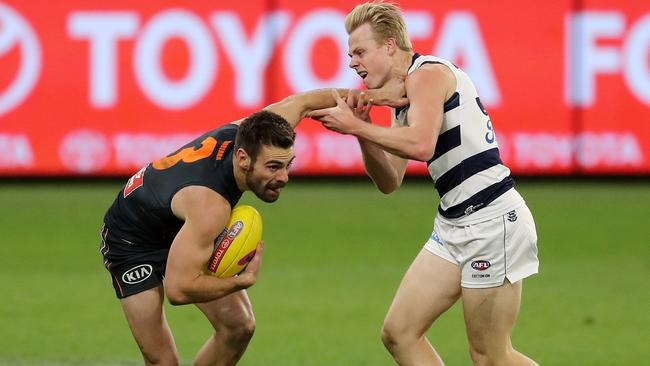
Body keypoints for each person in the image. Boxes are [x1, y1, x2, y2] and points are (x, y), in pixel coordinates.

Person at [99, 85, 404, 366]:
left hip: (180, 220)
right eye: (273, 167)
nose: (283, 177)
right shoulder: (211, 206)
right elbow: (179, 290)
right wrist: (238, 282)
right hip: (132, 240)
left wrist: (375, 97)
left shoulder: (255, 132)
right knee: (162, 361)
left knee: (239, 326)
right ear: (243, 159)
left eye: (288, 164)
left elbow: (302, 102)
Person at [308, 2, 540, 366]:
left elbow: (421, 144)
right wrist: (364, 132)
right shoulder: (403, 101)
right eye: (349, 53)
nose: (352, 62)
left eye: (359, 51)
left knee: (490, 356)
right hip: (453, 224)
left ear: (389, 45)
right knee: (399, 333)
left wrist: (354, 125)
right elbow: (389, 181)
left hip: (492, 220)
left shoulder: (428, 74)